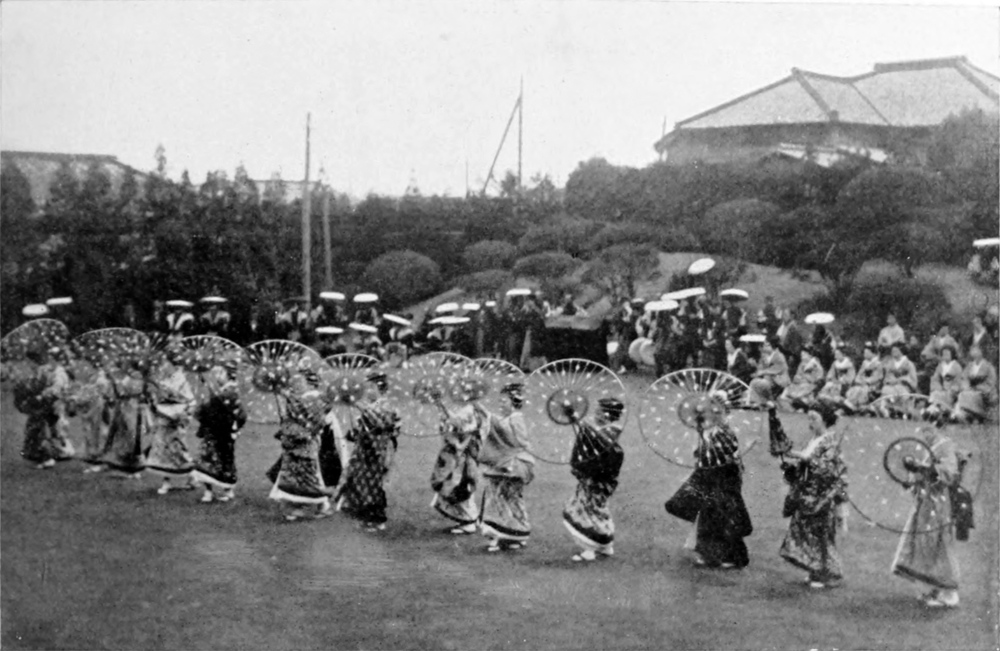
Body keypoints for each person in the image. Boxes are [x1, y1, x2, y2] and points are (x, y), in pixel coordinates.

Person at [665, 392, 755, 569]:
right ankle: (719, 555)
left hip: (723, 482)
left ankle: (719, 556)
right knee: (715, 517)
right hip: (713, 481)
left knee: (719, 517)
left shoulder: (725, 433)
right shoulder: (712, 430)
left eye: (716, 411)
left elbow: (721, 458)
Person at [775, 404, 848, 589]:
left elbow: (828, 470)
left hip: (821, 497)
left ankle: (825, 573)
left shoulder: (830, 442)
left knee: (819, 536)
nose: (810, 422)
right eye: (809, 418)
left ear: (824, 420)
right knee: (806, 533)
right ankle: (815, 570)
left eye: (814, 418)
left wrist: (803, 459)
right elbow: (806, 464)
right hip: (806, 495)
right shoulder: (814, 440)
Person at [892, 429, 965, 608]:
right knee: (926, 545)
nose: (924, 434)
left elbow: (948, 473)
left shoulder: (945, 446)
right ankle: (935, 587)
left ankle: (950, 593)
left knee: (940, 545)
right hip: (926, 503)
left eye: (928, 431)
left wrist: (920, 468)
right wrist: (912, 474)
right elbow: (923, 474)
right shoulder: (932, 447)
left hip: (938, 505)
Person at [562, 397, 626, 563]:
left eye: (598, 412)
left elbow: (591, 434)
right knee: (599, 510)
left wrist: (574, 416)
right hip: (602, 479)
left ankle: (589, 549)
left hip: (597, 479)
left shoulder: (608, 432)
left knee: (586, 510)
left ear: (606, 415)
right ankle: (605, 545)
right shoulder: (608, 431)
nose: (595, 414)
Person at [337, 372, 402, 531]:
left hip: (376, 451)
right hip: (367, 450)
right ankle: (368, 517)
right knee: (362, 482)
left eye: (370, 388)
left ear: (378, 388)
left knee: (371, 484)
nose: (367, 391)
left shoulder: (385, 406)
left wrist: (358, 405)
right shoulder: (375, 406)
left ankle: (374, 519)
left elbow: (379, 422)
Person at [478, 383, 535, 552]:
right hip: (507, 464)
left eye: (504, 401)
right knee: (506, 499)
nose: (501, 404)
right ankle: (512, 534)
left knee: (502, 499)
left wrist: (480, 408)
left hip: (512, 465)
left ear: (513, 402)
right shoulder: (511, 418)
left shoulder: (515, 419)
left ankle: (505, 535)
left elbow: (507, 435)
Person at [430, 378, 486, 534]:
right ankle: (471, 518)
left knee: (458, 485)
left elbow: (458, 425)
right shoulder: (471, 408)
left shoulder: (468, 410)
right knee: (461, 485)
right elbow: (455, 421)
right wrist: (439, 404)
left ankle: (468, 521)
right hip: (463, 453)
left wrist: (456, 441)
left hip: (462, 455)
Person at [267, 390, 334, 521]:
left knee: (306, 482)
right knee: (299, 482)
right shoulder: (308, 419)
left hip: (303, 455)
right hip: (299, 455)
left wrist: (284, 396)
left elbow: (297, 416)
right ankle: (298, 508)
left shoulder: (310, 420)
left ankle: (314, 506)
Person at [190, 366, 247, 503]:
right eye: (216, 373)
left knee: (224, 460)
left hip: (224, 432)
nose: (217, 376)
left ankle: (227, 490)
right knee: (206, 459)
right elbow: (206, 408)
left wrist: (236, 427)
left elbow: (240, 414)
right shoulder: (217, 391)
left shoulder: (231, 391)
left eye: (221, 373)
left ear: (228, 375)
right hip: (212, 431)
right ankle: (209, 491)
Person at [143, 354, 197, 495]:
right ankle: (166, 482)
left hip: (176, 418)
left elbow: (190, 401)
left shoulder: (181, 380)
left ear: (173, 364)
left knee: (179, 449)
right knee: (163, 450)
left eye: (165, 363)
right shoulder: (163, 379)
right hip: (163, 417)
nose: (163, 367)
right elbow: (157, 397)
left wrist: (183, 415)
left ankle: (192, 476)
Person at [13, 344, 72, 469]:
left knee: (50, 430)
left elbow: (54, 389)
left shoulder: (58, 373)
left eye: (52, 358)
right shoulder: (46, 370)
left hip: (54, 404)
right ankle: (55, 453)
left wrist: (41, 395)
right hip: (46, 405)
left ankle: (50, 455)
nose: (49, 361)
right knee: (47, 430)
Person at [952, 345, 997, 423]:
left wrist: (978, 388)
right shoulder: (969, 366)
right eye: (972, 350)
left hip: (983, 392)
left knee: (970, 395)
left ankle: (976, 415)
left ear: (981, 352)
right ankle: (963, 414)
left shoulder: (988, 366)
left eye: (976, 350)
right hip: (970, 390)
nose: (974, 353)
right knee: (963, 394)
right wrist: (966, 385)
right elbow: (964, 378)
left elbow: (991, 382)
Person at [877, 344, 919, 418]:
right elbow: (887, 378)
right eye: (892, 351)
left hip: (904, 389)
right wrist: (890, 381)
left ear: (901, 351)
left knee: (900, 391)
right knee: (886, 390)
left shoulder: (909, 364)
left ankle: (902, 411)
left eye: (896, 350)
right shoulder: (889, 364)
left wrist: (900, 380)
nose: (893, 352)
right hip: (891, 388)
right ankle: (886, 410)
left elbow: (913, 381)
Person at [924, 345, 963, 423]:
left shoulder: (957, 366)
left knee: (947, 395)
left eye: (947, 354)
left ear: (952, 354)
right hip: (942, 388)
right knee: (936, 393)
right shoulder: (940, 366)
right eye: (944, 354)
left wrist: (953, 389)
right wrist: (938, 387)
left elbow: (958, 381)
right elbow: (935, 378)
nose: (945, 356)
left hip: (952, 390)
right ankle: (933, 411)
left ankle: (944, 412)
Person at [779, 346, 824, 411]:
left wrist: (805, 377)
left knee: (804, 395)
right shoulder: (802, 363)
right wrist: (797, 378)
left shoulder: (815, 364)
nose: (802, 356)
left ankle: (802, 406)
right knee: (786, 392)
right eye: (801, 355)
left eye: (803, 355)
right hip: (799, 384)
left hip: (809, 386)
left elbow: (816, 379)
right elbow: (798, 375)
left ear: (809, 355)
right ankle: (794, 406)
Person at [748, 338, 790, 407]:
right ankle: (761, 402)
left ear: (773, 346)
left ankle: (765, 402)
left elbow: (776, 369)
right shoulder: (765, 356)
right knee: (755, 382)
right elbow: (761, 369)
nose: (764, 347)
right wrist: (755, 365)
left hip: (779, 381)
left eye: (767, 345)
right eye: (764, 345)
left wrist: (762, 372)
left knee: (758, 383)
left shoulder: (779, 356)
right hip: (770, 379)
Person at [843, 342, 883, 414]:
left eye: (867, 352)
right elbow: (859, 374)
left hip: (873, 385)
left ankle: (854, 405)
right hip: (862, 383)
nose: (865, 354)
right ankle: (853, 405)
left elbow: (877, 377)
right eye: (864, 352)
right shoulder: (865, 363)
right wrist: (859, 380)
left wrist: (866, 381)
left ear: (873, 353)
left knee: (860, 389)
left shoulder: (878, 364)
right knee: (856, 388)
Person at [816, 346, 856, 412]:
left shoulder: (849, 364)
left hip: (844, 385)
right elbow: (830, 374)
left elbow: (850, 378)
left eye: (838, 354)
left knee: (835, 389)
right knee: (828, 386)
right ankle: (829, 403)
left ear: (843, 354)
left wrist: (841, 380)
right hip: (834, 383)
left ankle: (841, 403)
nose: (835, 356)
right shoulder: (835, 363)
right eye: (835, 354)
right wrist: (831, 379)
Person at [777, 310, 804, 378]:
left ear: (792, 316)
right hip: (786, 354)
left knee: (790, 374)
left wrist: (793, 355)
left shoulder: (793, 327)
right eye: (783, 315)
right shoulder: (786, 326)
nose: (783, 317)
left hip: (791, 356)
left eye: (785, 315)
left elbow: (796, 343)